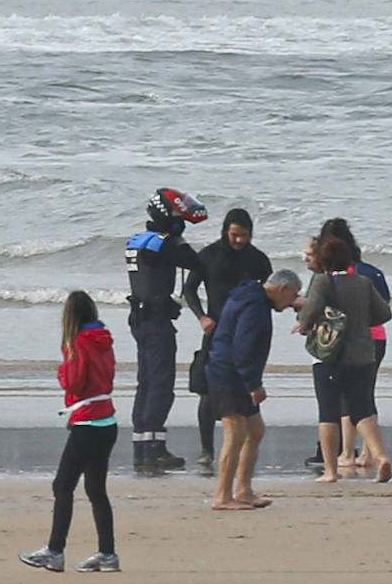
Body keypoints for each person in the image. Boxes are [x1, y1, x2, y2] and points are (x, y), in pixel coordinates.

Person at [19, 291, 120, 573]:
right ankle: (107, 553)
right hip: (106, 420)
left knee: (63, 486)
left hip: (87, 423)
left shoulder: (77, 344)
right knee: (96, 490)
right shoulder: (104, 341)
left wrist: (61, 371)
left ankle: (55, 550)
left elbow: (74, 383)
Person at [298, 236, 392, 483]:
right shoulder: (363, 282)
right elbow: (384, 313)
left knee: (328, 412)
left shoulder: (322, 282)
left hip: (330, 355)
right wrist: (360, 323)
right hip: (362, 355)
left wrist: (305, 324)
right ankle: (381, 457)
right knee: (362, 410)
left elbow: (309, 313)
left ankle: (330, 471)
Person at [182, 208, 273, 468]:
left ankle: (242, 443)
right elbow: (189, 289)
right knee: (208, 392)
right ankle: (207, 449)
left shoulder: (258, 260)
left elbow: (270, 293)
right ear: (225, 232)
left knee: (247, 384)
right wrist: (201, 317)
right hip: (215, 331)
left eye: (244, 235)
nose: (239, 241)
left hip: (246, 334)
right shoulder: (209, 255)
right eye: (234, 235)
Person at [205, 269, 303, 510]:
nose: (292, 303)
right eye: (293, 296)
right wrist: (253, 385)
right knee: (236, 434)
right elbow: (243, 347)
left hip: (236, 373)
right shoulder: (254, 305)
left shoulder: (254, 297)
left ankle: (244, 490)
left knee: (255, 430)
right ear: (282, 289)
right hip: (228, 374)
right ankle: (223, 496)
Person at [126, 187, 207, 472]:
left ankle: (141, 446)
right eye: (177, 218)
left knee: (146, 383)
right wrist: (179, 236)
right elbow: (194, 262)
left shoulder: (137, 240)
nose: (180, 223)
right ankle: (155, 448)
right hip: (156, 322)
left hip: (140, 319)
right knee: (160, 384)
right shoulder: (160, 242)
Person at [316, 217, 390, 469]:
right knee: (365, 396)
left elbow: (316, 311)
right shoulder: (370, 273)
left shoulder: (329, 279)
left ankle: (347, 453)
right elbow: (384, 307)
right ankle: (370, 454)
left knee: (344, 399)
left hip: (341, 342)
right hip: (375, 337)